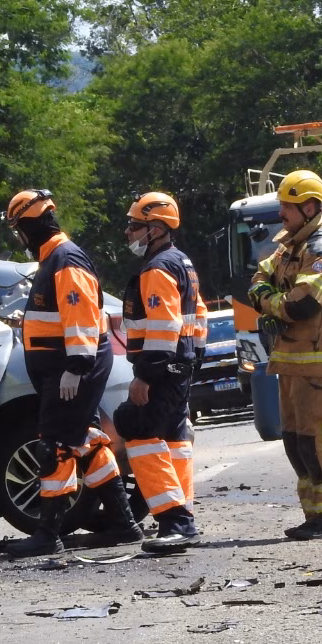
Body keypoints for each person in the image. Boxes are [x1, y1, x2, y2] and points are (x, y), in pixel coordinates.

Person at [1, 189, 140, 558]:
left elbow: (80, 318)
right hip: (67, 368)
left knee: (56, 446)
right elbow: (60, 314)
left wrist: (76, 367)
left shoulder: (65, 259)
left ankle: (49, 531)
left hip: (73, 369)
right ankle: (123, 523)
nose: (19, 237)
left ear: (33, 225)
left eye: (19, 228)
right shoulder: (54, 259)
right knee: (87, 442)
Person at [247, 170, 322, 540]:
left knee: (315, 444)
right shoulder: (289, 245)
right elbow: (258, 278)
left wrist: (269, 303)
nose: (281, 215)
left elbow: (304, 303)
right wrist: (271, 299)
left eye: (287, 207)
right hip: (291, 363)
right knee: (294, 442)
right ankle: (313, 516)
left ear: (309, 207)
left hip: (318, 365)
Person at [115, 192, 208, 553]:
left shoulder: (157, 269)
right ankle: (181, 514)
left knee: (135, 428)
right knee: (174, 439)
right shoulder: (181, 262)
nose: (128, 232)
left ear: (155, 229)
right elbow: (197, 317)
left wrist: (147, 375)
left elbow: (165, 326)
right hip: (179, 368)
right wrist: (191, 361)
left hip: (162, 370)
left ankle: (174, 520)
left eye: (135, 226)